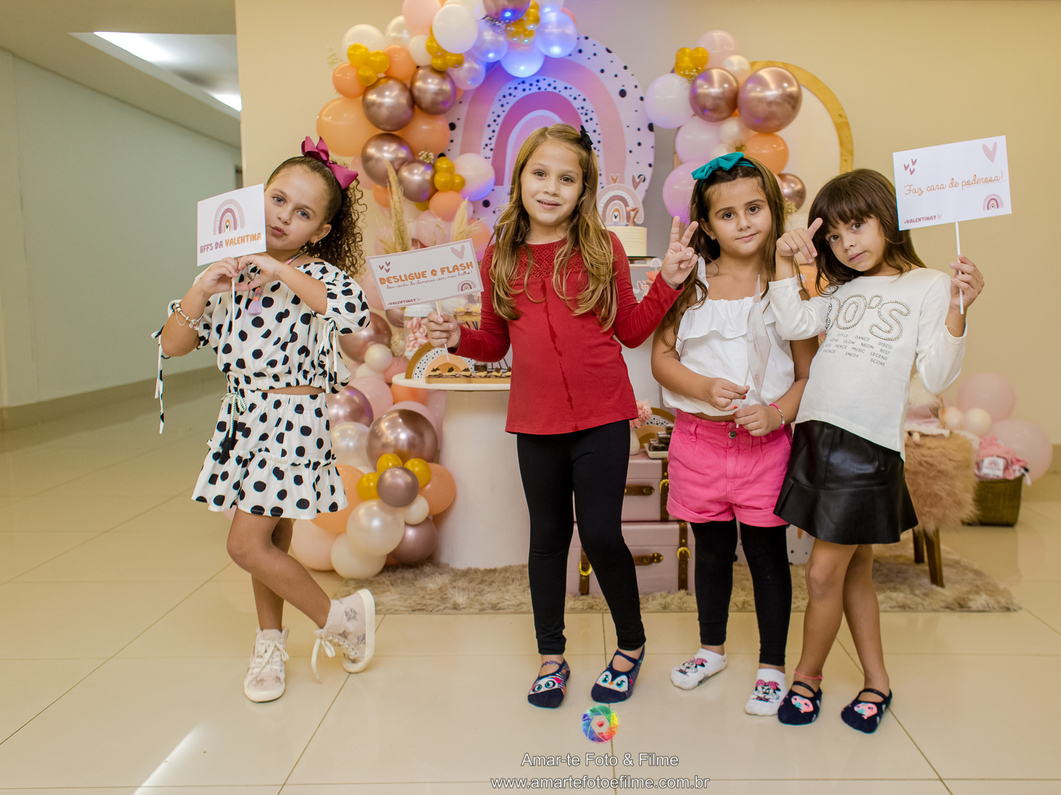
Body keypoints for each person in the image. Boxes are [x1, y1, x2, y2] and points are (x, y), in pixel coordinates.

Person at [424, 123, 696, 708]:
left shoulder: (604, 246)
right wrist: (457, 337)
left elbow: (630, 330)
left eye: (566, 178)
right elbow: (494, 343)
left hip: (602, 415)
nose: (550, 188)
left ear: (584, 188)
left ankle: (630, 644)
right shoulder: (500, 253)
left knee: (600, 534)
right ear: (520, 178)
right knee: (547, 539)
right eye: (539, 174)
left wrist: (669, 284)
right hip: (535, 421)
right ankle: (552, 655)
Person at [155, 137, 377, 702]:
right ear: (259, 200)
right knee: (270, 538)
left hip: (292, 419)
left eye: (302, 212)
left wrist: (274, 269)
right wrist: (203, 287)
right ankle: (271, 642)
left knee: (244, 544)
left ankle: (341, 619)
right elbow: (176, 345)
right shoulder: (229, 272)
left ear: (320, 231)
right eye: (278, 200)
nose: (284, 216)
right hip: (242, 417)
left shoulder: (320, 276)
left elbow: (347, 315)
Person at [767, 168, 984, 732]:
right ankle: (877, 681)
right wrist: (795, 266)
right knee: (855, 568)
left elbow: (937, 372)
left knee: (820, 575)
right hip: (817, 435)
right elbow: (794, 322)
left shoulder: (931, 284)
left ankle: (806, 678)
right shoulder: (838, 287)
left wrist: (961, 306)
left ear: (889, 220)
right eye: (835, 236)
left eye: (857, 226)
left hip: (866, 447)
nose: (848, 244)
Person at [650, 153, 817, 716]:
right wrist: (700, 387)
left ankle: (772, 666)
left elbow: (807, 374)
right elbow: (662, 359)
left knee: (768, 555)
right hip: (697, 443)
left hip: (764, 446)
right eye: (728, 214)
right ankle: (711, 648)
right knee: (711, 552)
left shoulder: (787, 284)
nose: (744, 222)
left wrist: (776, 414)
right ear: (706, 223)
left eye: (755, 208)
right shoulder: (689, 282)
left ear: (773, 210)